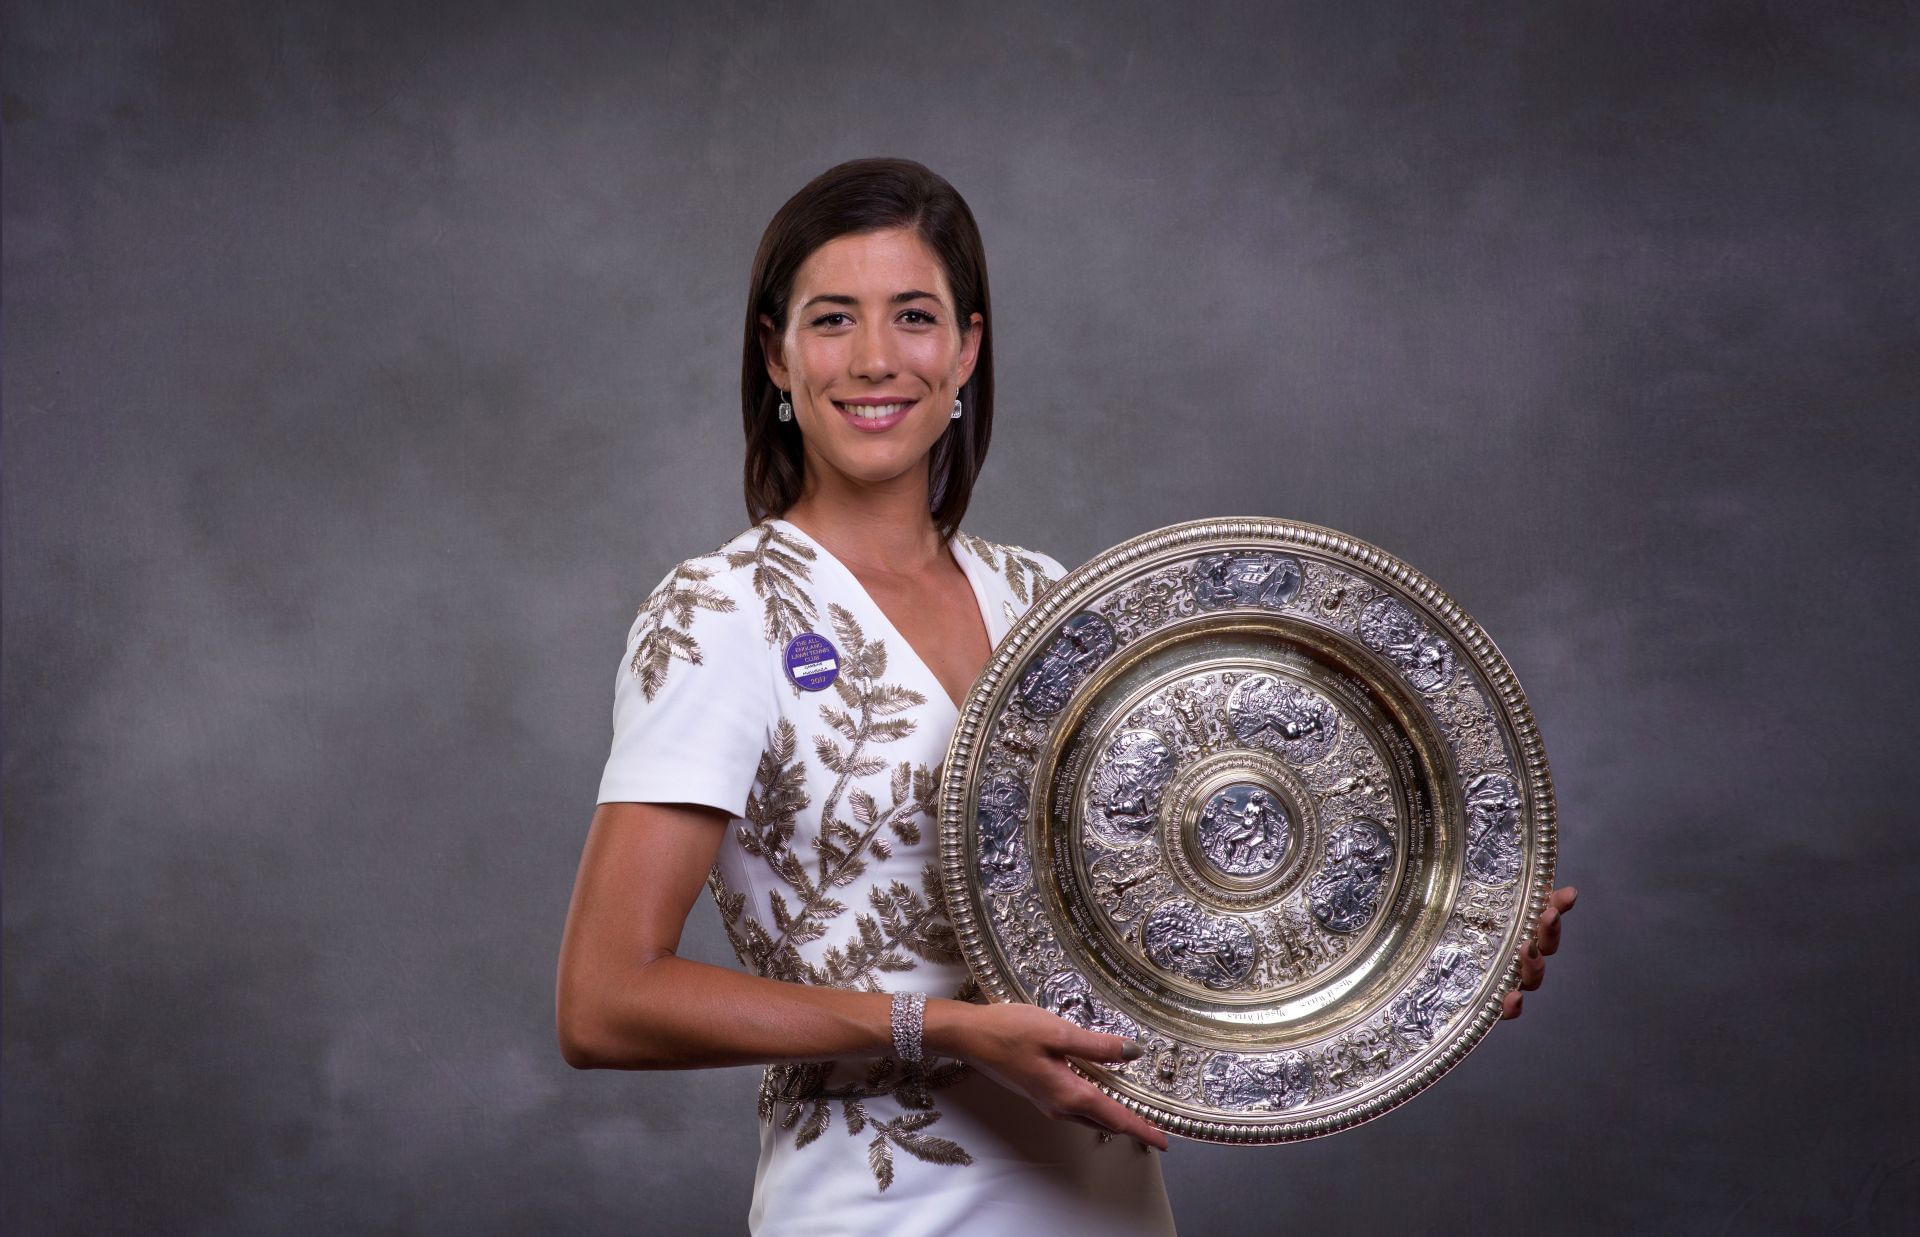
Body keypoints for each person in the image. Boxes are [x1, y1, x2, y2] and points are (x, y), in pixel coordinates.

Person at [554, 157, 1578, 1236]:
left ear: (966, 350)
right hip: (880, 1211)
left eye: (912, 315)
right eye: (830, 319)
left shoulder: (1057, 603)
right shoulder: (725, 611)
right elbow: (606, 997)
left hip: (1110, 1206)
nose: (872, 359)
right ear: (775, 355)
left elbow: (1190, 892)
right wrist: (941, 1027)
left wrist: (1443, 943)